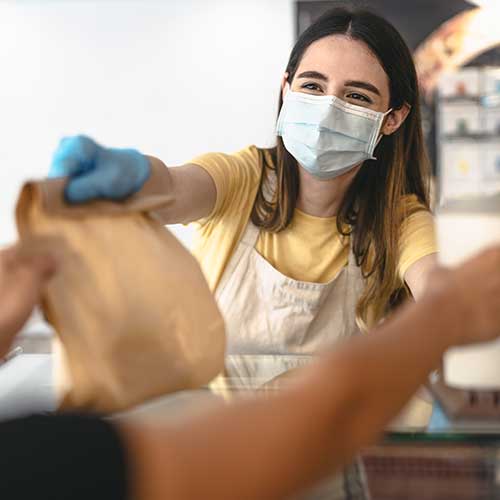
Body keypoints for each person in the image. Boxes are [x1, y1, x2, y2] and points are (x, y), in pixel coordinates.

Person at [49, 7, 437, 373]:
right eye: (313, 86)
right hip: (211, 430)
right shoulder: (243, 177)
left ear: (393, 118)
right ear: (286, 89)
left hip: (329, 437)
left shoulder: (399, 219)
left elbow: (437, 286)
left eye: (356, 96)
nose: (327, 110)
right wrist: (133, 176)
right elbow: (172, 187)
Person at [2, 239, 500, 500]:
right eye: (312, 85)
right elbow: (329, 419)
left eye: (357, 96)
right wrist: (448, 312)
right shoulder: (36, 466)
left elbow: (423, 261)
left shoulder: (394, 213)